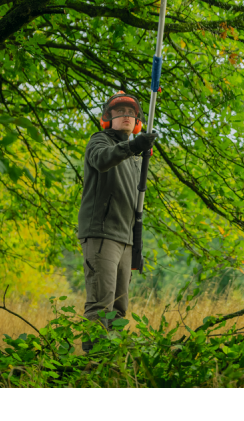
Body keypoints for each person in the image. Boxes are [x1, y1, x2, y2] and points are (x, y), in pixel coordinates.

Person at [77, 91, 157, 353]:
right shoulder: (99, 141)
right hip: (102, 235)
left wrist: (137, 248)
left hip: (125, 240)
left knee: (119, 308)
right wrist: (134, 146)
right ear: (107, 118)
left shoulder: (134, 159)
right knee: (101, 304)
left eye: (131, 113)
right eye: (120, 112)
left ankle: (110, 361)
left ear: (137, 122)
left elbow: (137, 208)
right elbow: (102, 160)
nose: (126, 115)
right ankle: (91, 366)